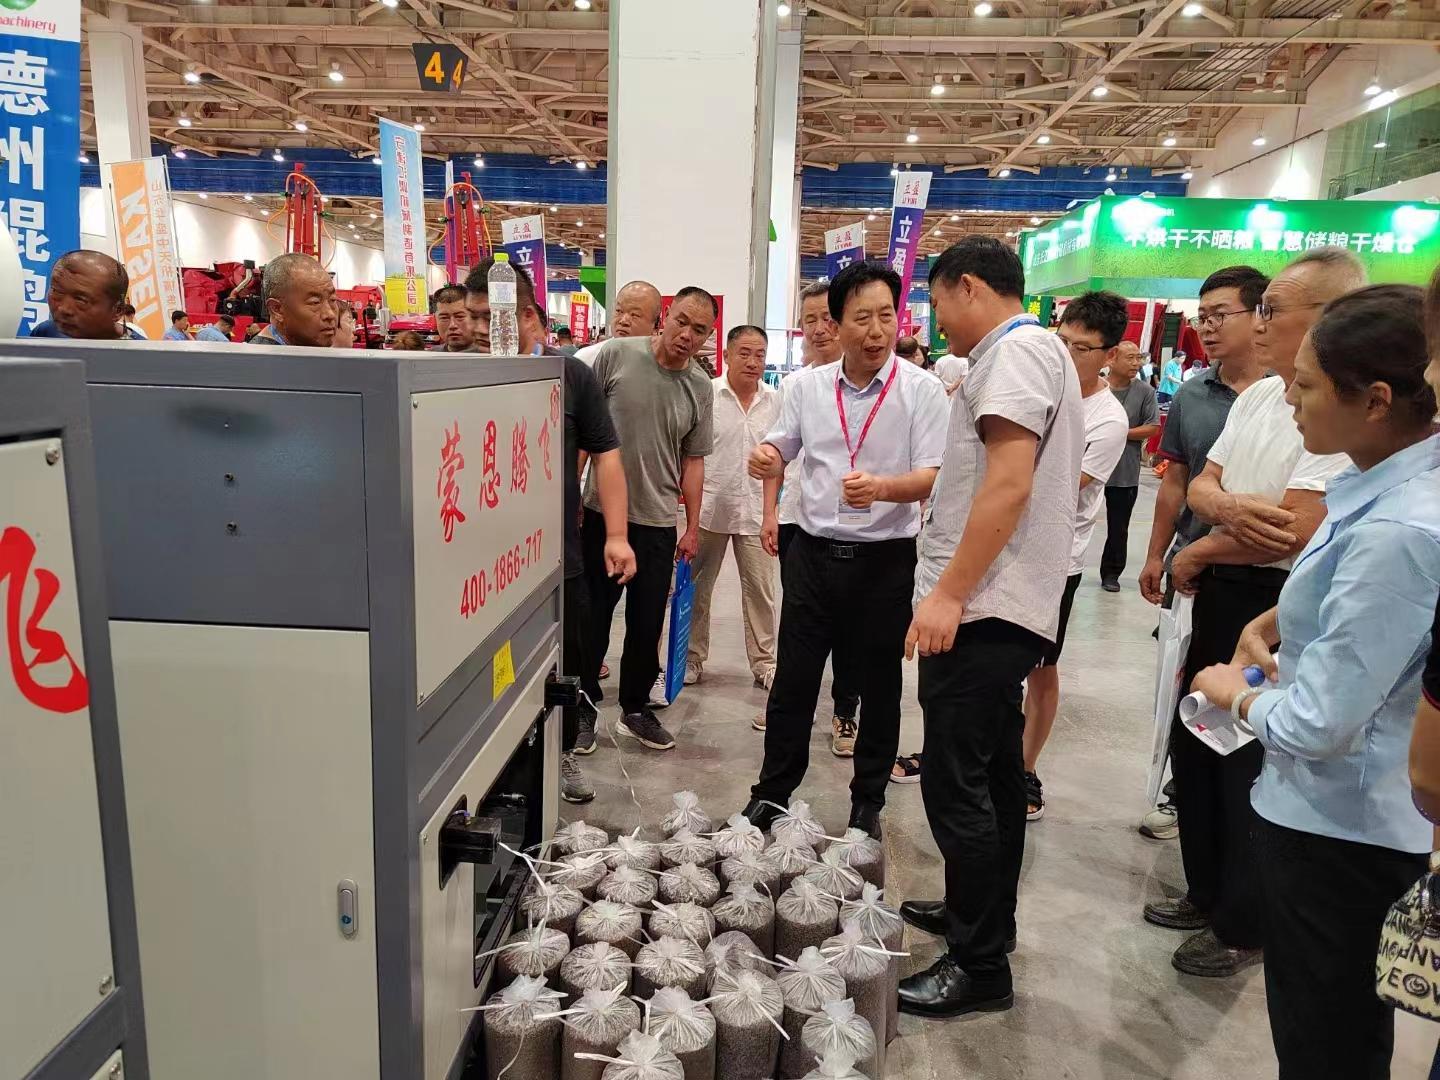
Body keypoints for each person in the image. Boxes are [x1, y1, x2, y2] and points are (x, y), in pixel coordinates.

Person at [1191, 285, 1439, 1078]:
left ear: (1375, 400)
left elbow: (1322, 724)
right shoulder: (1385, 487)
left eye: (1305, 386)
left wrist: (1235, 693)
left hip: (1342, 833)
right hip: (1337, 821)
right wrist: (1279, 624)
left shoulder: (1399, 528)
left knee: (1326, 1046)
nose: (1291, 402)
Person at [1144, 250, 1363, 979]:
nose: (1260, 323)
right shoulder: (1263, 396)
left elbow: (1296, 527)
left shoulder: (1337, 411)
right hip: (1223, 594)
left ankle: (1243, 921)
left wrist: (1202, 547)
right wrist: (1232, 514)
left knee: (1251, 762)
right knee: (1199, 745)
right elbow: (1203, 486)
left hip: (1277, 604)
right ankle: (1206, 892)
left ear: (1328, 319)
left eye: (1271, 309)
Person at [895, 237, 1082, 1019]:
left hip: (985, 606)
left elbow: (1006, 487)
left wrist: (948, 594)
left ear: (968, 286)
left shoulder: (1014, 353)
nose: (937, 320)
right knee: (997, 775)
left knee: (956, 784)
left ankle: (978, 967)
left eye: (938, 302)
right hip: (1002, 605)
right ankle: (981, 919)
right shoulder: (1028, 353)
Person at [742, 260, 948, 841]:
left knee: (880, 685)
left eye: (886, 316)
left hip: (885, 560)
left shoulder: (922, 390)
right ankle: (772, 792)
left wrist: (883, 488)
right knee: (794, 681)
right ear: (836, 324)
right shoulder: (805, 387)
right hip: (812, 554)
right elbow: (782, 446)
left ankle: (867, 801)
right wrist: (767, 457)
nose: (876, 331)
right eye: (862, 318)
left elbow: (933, 474)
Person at [1134, 266, 1270, 841]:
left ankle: (1241, 822)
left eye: (1220, 315)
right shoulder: (1193, 393)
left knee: (1252, 700)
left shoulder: (1291, 394)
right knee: (1187, 686)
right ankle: (1183, 797)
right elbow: (1177, 479)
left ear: (1261, 316)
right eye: (1203, 316)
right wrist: (1156, 554)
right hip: (1193, 572)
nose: (1208, 327)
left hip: (1264, 574)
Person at [499, 257, 638, 803]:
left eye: (494, 315)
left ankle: (560, 753)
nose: (483, 328)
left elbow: (606, 454)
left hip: (556, 552)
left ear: (527, 315)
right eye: (472, 315)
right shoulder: (452, 373)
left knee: (567, 657)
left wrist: (616, 535)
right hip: (483, 565)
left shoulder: (570, 375)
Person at [580, 286, 717, 752]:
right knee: (593, 616)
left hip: (657, 522)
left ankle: (635, 709)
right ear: (666, 316)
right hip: (600, 514)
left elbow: (693, 462)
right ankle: (584, 704)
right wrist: (572, 493)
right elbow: (585, 431)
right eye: (682, 321)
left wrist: (692, 527)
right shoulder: (616, 355)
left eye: (699, 330)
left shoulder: (699, 386)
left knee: (646, 623)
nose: (687, 335)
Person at [1021, 292, 1130, 822]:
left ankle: (1025, 768)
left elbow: (1064, 486)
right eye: (1061, 340)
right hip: (1003, 549)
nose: (1066, 354)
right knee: (988, 666)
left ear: (1108, 355)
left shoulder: (1107, 419)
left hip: (1054, 563)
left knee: (1040, 668)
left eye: (1081, 348)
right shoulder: (1039, 389)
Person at [772, 280, 862, 752]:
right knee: (799, 623)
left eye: (828, 318)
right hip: (798, 520)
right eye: (810, 320)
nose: (820, 328)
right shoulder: (795, 386)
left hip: (858, 528)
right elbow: (778, 451)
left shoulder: (872, 386)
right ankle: (793, 712)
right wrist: (769, 513)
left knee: (850, 628)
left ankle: (845, 712)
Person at [685, 325, 781, 692]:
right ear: (726, 355)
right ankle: (691, 659)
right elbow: (690, 454)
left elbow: (779, 461)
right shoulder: (707, 395)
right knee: (697, 589)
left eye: (760, 354)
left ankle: (765, 664)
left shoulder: (775, 401)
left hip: (756, 512)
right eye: (744, 353)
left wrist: (771, 514)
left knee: (761, 592)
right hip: (709, 509)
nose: (753, 361)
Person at [1099, 340, 1160, 592]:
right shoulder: (1096, 387)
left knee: (1119, 526)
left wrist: (1117, 432)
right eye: (1130, 358)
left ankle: (1111, 573)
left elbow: (1152, 427)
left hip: (1124, 471)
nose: (1136, 363)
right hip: (1090, 468)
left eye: (1139, 358)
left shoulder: (1145, 392)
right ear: (1111, 358)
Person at [28, 251, 145, 340]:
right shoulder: (46, 332)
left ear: (117, 311)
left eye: (81, 300)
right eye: (57, 291)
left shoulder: (142, 356)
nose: (63, 309)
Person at [249, 253, 338, 347]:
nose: (330, 315)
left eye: (332, 300)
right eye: (315, 302)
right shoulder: (257, 355)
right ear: (277, 309)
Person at [575, 280, 662, 366]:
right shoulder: (586, 359)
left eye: (635, 314)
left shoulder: (663, 364)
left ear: (656, 325)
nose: (623, 321)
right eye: (619, 311)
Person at [432, 285, 474, 352]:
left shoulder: (488, 355)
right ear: (435, 319)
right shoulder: (429, 356)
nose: (452, 325)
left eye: (460, 317)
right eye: (444, 318)